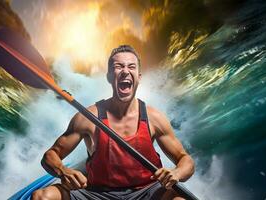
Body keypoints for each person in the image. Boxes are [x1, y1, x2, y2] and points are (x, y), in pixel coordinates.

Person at [31, 45, 195, 200]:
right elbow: (50, 155)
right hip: (98, 194)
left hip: (147, 192)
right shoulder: (88, 117)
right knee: (42, 196)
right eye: (119, 66)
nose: (125, 71)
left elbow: (185, 159)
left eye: (131, 67)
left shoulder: (154, 117)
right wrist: (63, 171)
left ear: (138, 77)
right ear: (109, 76)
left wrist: (177, 173)